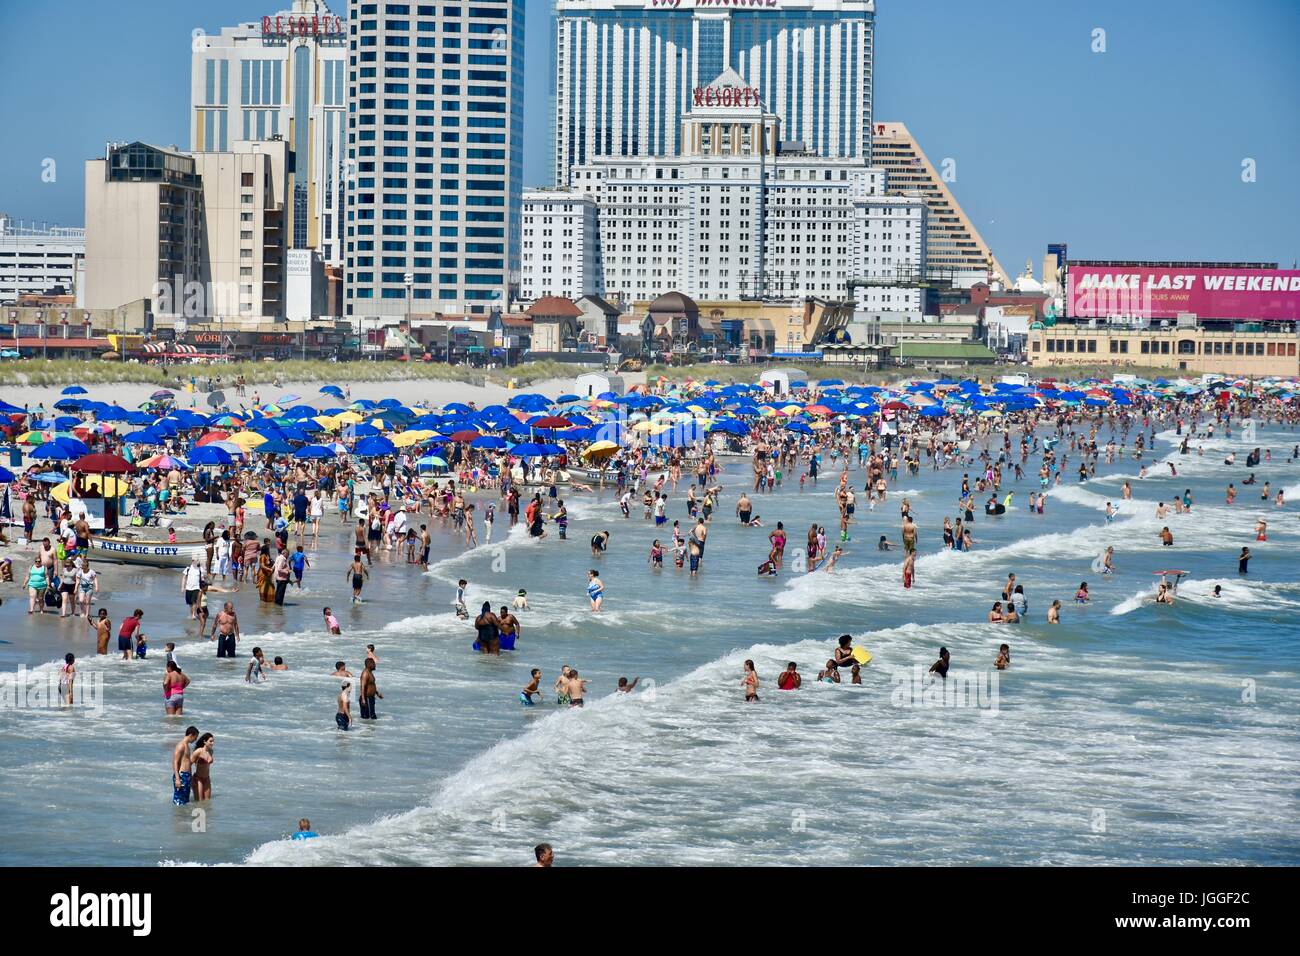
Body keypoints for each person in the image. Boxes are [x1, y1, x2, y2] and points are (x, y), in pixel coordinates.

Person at [172, 726, 199, 806]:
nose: (195, 740)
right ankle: (177, 818)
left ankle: (183, 818)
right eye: (195, 737)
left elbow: (186, 762)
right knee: (179, 802)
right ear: (191, 735)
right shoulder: (181, 746)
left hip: (186, 776)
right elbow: (175, 762)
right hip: (181, 776)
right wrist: (177, 779)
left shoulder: (186, 746)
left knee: (185, 802)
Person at [190, 733, 214, 802]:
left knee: (207, 802)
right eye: (210, 741)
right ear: (205, 742)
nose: (212, 743)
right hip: (198, 779)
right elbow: (188, 764)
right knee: (199, 802)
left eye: (213, 741)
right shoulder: (198, 751)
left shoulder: (211, 751)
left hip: (207, 779)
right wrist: (190, 779)